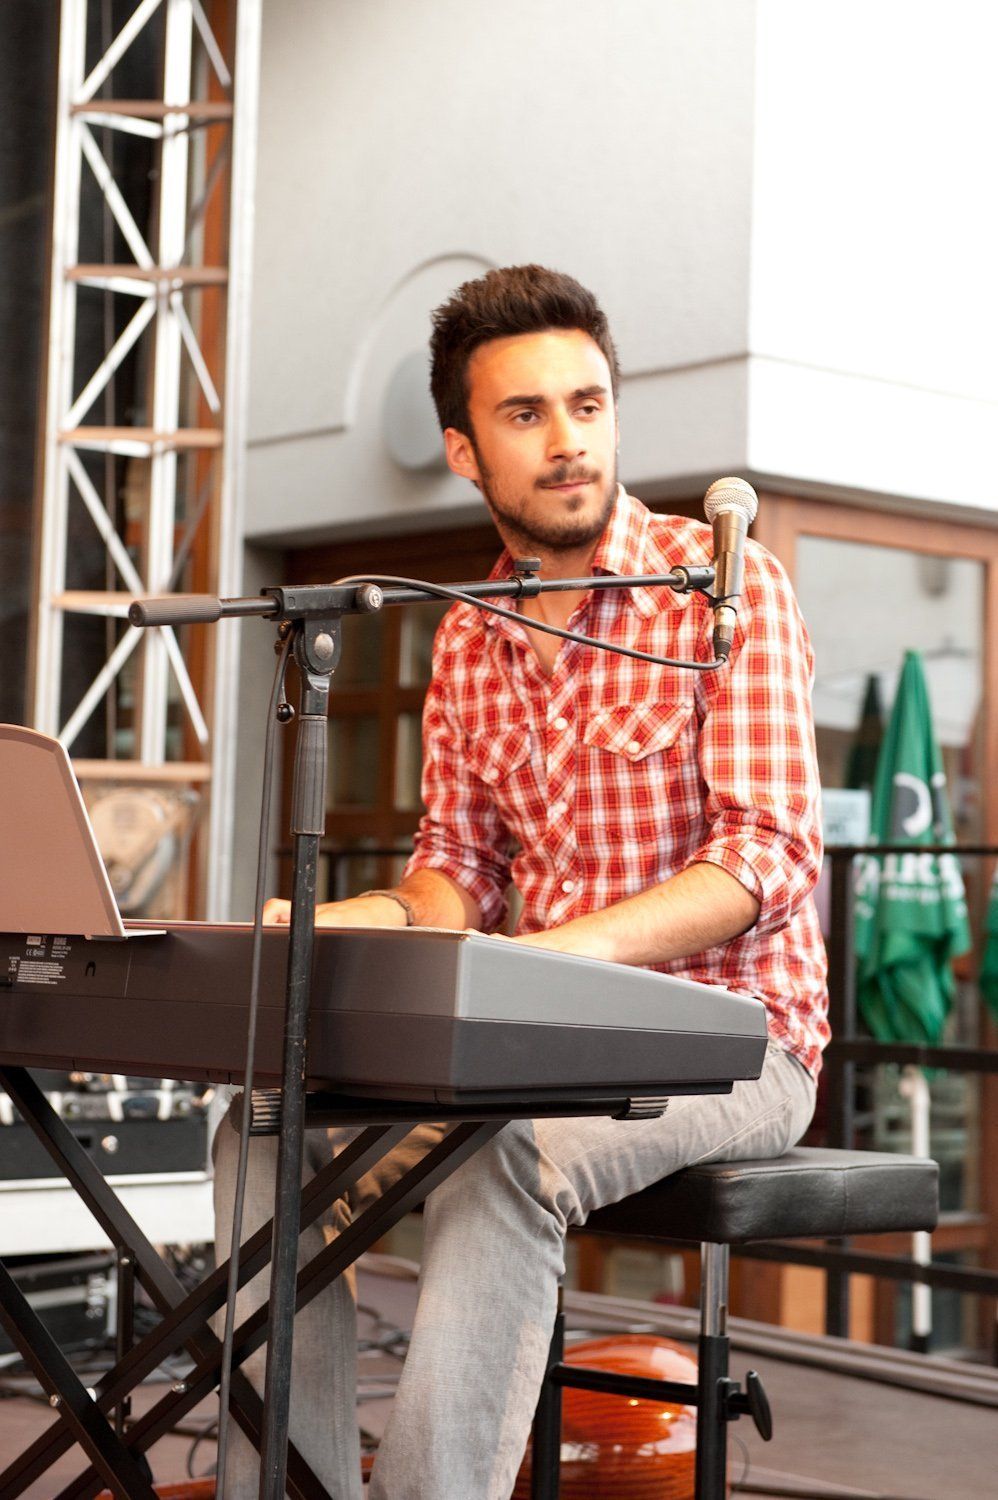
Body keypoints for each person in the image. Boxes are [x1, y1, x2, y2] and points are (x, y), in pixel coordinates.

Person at [214, 264, 828, 1500]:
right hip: (533, 1040)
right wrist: (340, 920)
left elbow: (765, 853)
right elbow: (456, 872)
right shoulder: (467, 633)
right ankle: (295, 1485)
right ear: (462, 449)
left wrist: (555, 958)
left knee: (502, 1155)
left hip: (735, 1042)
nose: (567, 442)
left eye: (586, 406)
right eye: (525, 413)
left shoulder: (724, 589)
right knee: (259, 1131)